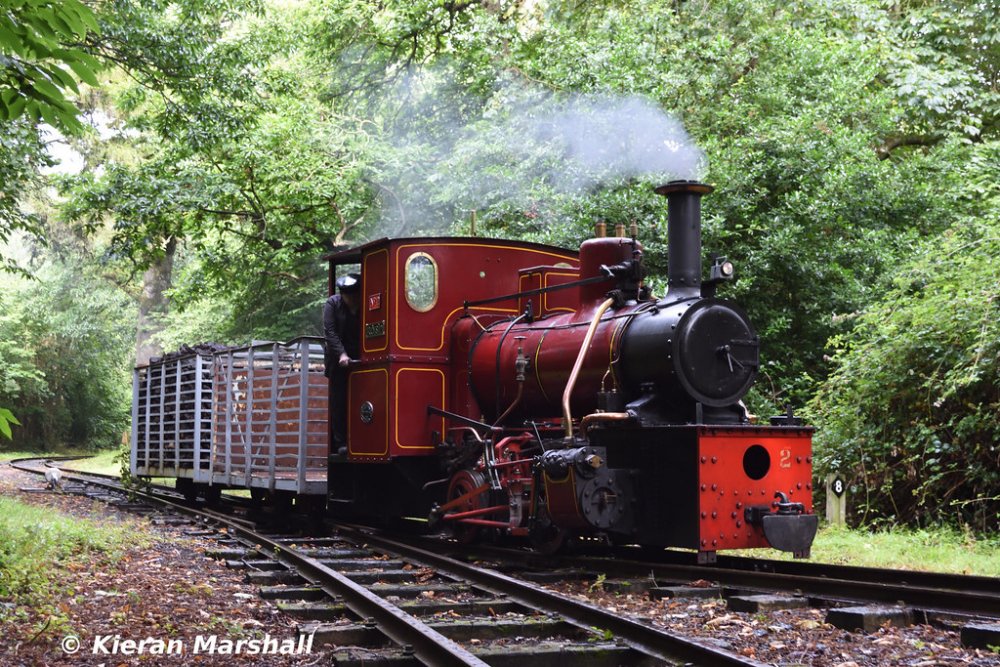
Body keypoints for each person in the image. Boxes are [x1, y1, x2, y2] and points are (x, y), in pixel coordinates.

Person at [324, 273, 361, 448]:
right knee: (339, 399)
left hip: (359, 356)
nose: (352, 300)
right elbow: (330, 332)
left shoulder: (365, 305)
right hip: (338, 358)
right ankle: (340, 442)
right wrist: (342, 354)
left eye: (354, 296)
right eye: (348, 296)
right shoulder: (333, 303)